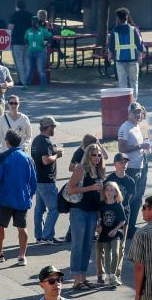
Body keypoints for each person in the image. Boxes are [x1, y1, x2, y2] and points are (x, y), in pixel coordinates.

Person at [0, 130, 36, 265]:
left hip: (6, 199)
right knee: (22, 228)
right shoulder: (27, 158)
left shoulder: (4, 156)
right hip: (22, 199)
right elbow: (33, 181)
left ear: (7, 142)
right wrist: (30, 196)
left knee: (0, 226)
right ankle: (22, 256)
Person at [66, 143, 105, 290]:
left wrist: (100, 217)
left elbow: (100, 196)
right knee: (78, 244)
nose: (96, 157)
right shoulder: (81, 169)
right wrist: (91, 187)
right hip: (79, 211)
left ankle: (83, 277)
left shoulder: (100, 170)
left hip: (93, 212)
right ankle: (76, 279)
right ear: (88, 155)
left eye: (99, 155)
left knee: (88, 245)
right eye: (93, 154)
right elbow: (70, 189)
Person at [118, 103, 151, 236]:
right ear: (129, 113)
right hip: (131, 168)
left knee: (138, 199)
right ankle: (125, 229)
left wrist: (144, 149)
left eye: (139, 112)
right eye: (135, 112)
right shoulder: (125, 128)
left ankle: (131, 228)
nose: (138, 114)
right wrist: (140, 145)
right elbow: (122, 148)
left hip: (141, 166)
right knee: (131, 199)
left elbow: (136, 146)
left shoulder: (136, 126)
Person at [30, 116, 63, 245]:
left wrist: (53, 151)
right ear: (48, 127)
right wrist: (57, 155)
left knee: (39, 209)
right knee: (55, 208)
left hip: (38, 180)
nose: (54, 129)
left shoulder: (36, 140)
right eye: (53, 127)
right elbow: (46, 160)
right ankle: (47, 236)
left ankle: (39, 236)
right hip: (47, 181)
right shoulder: (45, 141)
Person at [107, 8, 145, 98]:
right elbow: (140, 45)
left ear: (118, 19)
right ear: (127, 17)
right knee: (134, 82)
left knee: (122, 83)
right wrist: (140, 57)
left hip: (120, 61)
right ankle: (134, 104)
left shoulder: (114, 31)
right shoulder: (134, 30)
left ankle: (124, 103)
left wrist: (109, 56)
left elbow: (111, 47)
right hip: (133, 60)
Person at [96, 182, 127, 286]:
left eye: (112, 190)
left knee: (116, 253)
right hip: (105, 233)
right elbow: (100, 218)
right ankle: (110, 276)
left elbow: (123, 220)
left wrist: (115, 230)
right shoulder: (102, 205)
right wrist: (99, 226)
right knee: (107, 255)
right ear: (104, 192)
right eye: (107, 190)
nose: (109, 192)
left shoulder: (118, 205)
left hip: (115, 233)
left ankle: (113, 275)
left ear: (116, 192)